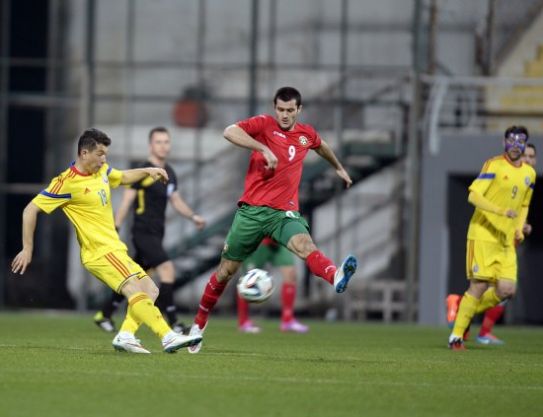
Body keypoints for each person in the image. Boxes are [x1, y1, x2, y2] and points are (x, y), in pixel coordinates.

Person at [185, 86, 358, 354]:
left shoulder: (305, 134)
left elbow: (321, 146)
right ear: (274, 107)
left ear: (299, 110)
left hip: (284, 213)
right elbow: (229, 131)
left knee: (304, 246)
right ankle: (198, 326)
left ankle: (334, 275)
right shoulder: (264, 124)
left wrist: (338, 168)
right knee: (225, 272)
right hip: (251, 213)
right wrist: (262, 147)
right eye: (280, 109)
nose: (285, 115)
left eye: (290, 110)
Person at [11, 128, 202, 354]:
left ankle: (126, 335)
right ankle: (167, 335)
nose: (104, 159)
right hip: (99, 253)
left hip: (115, 249)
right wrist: (27, 248)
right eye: (100, 154)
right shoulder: (66, 183)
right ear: (84, 153)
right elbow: (30, 210)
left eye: (105, 154)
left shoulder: (101, 171)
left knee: (150, 289)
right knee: (133, 288)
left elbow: (121, 177)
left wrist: (148, 170)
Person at [93, 126, 206, 333]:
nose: (163, 146)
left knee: (134, 277)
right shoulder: (143, 170)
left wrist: (193, 216)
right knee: (167, 270)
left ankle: (105, 313)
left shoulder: (169, 172)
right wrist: (115, 227)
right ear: (150, 145)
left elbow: (176, 199)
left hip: (157, 233)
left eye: (166, 142)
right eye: (158, 142)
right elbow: (127, 201)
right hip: (142, 233)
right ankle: (174, 323)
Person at [447, 126, 536, 350]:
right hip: (483, 234)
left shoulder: (529, 174)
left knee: (507, 290)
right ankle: (456, 336)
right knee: (479, 286)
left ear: (525, 144)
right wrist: (500, 211)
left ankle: (460, 309)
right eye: (511, 141)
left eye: (520, 142)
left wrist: (517, 228)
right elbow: (473, 195)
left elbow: (524, 204)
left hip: (506, 240)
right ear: (504, 142)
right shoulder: (493, 165)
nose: (515, 146)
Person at [238, 237, 309, 334]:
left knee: (291, 273)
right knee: (248, 279)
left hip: (279, 241)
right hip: (258, 240)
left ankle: (287, 320)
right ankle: (243, 322)